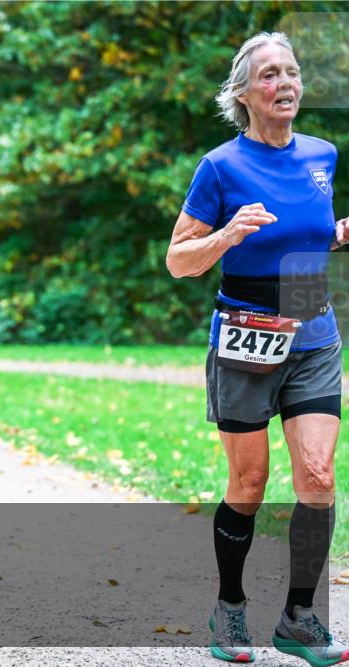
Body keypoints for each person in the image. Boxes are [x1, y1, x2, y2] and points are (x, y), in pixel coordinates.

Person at [166, 32, 348, 666]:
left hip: (313, 327)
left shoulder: (323, 155)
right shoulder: (221, 167)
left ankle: (300, 619)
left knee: (319, 478)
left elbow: (305, 239)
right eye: (269, 75)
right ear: (243, 94)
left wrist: (339, 235)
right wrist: (226, 233)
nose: (285, 83)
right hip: (246, 333)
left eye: (291, 72)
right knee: (249, 482)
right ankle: (230, 608)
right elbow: (177, 261)